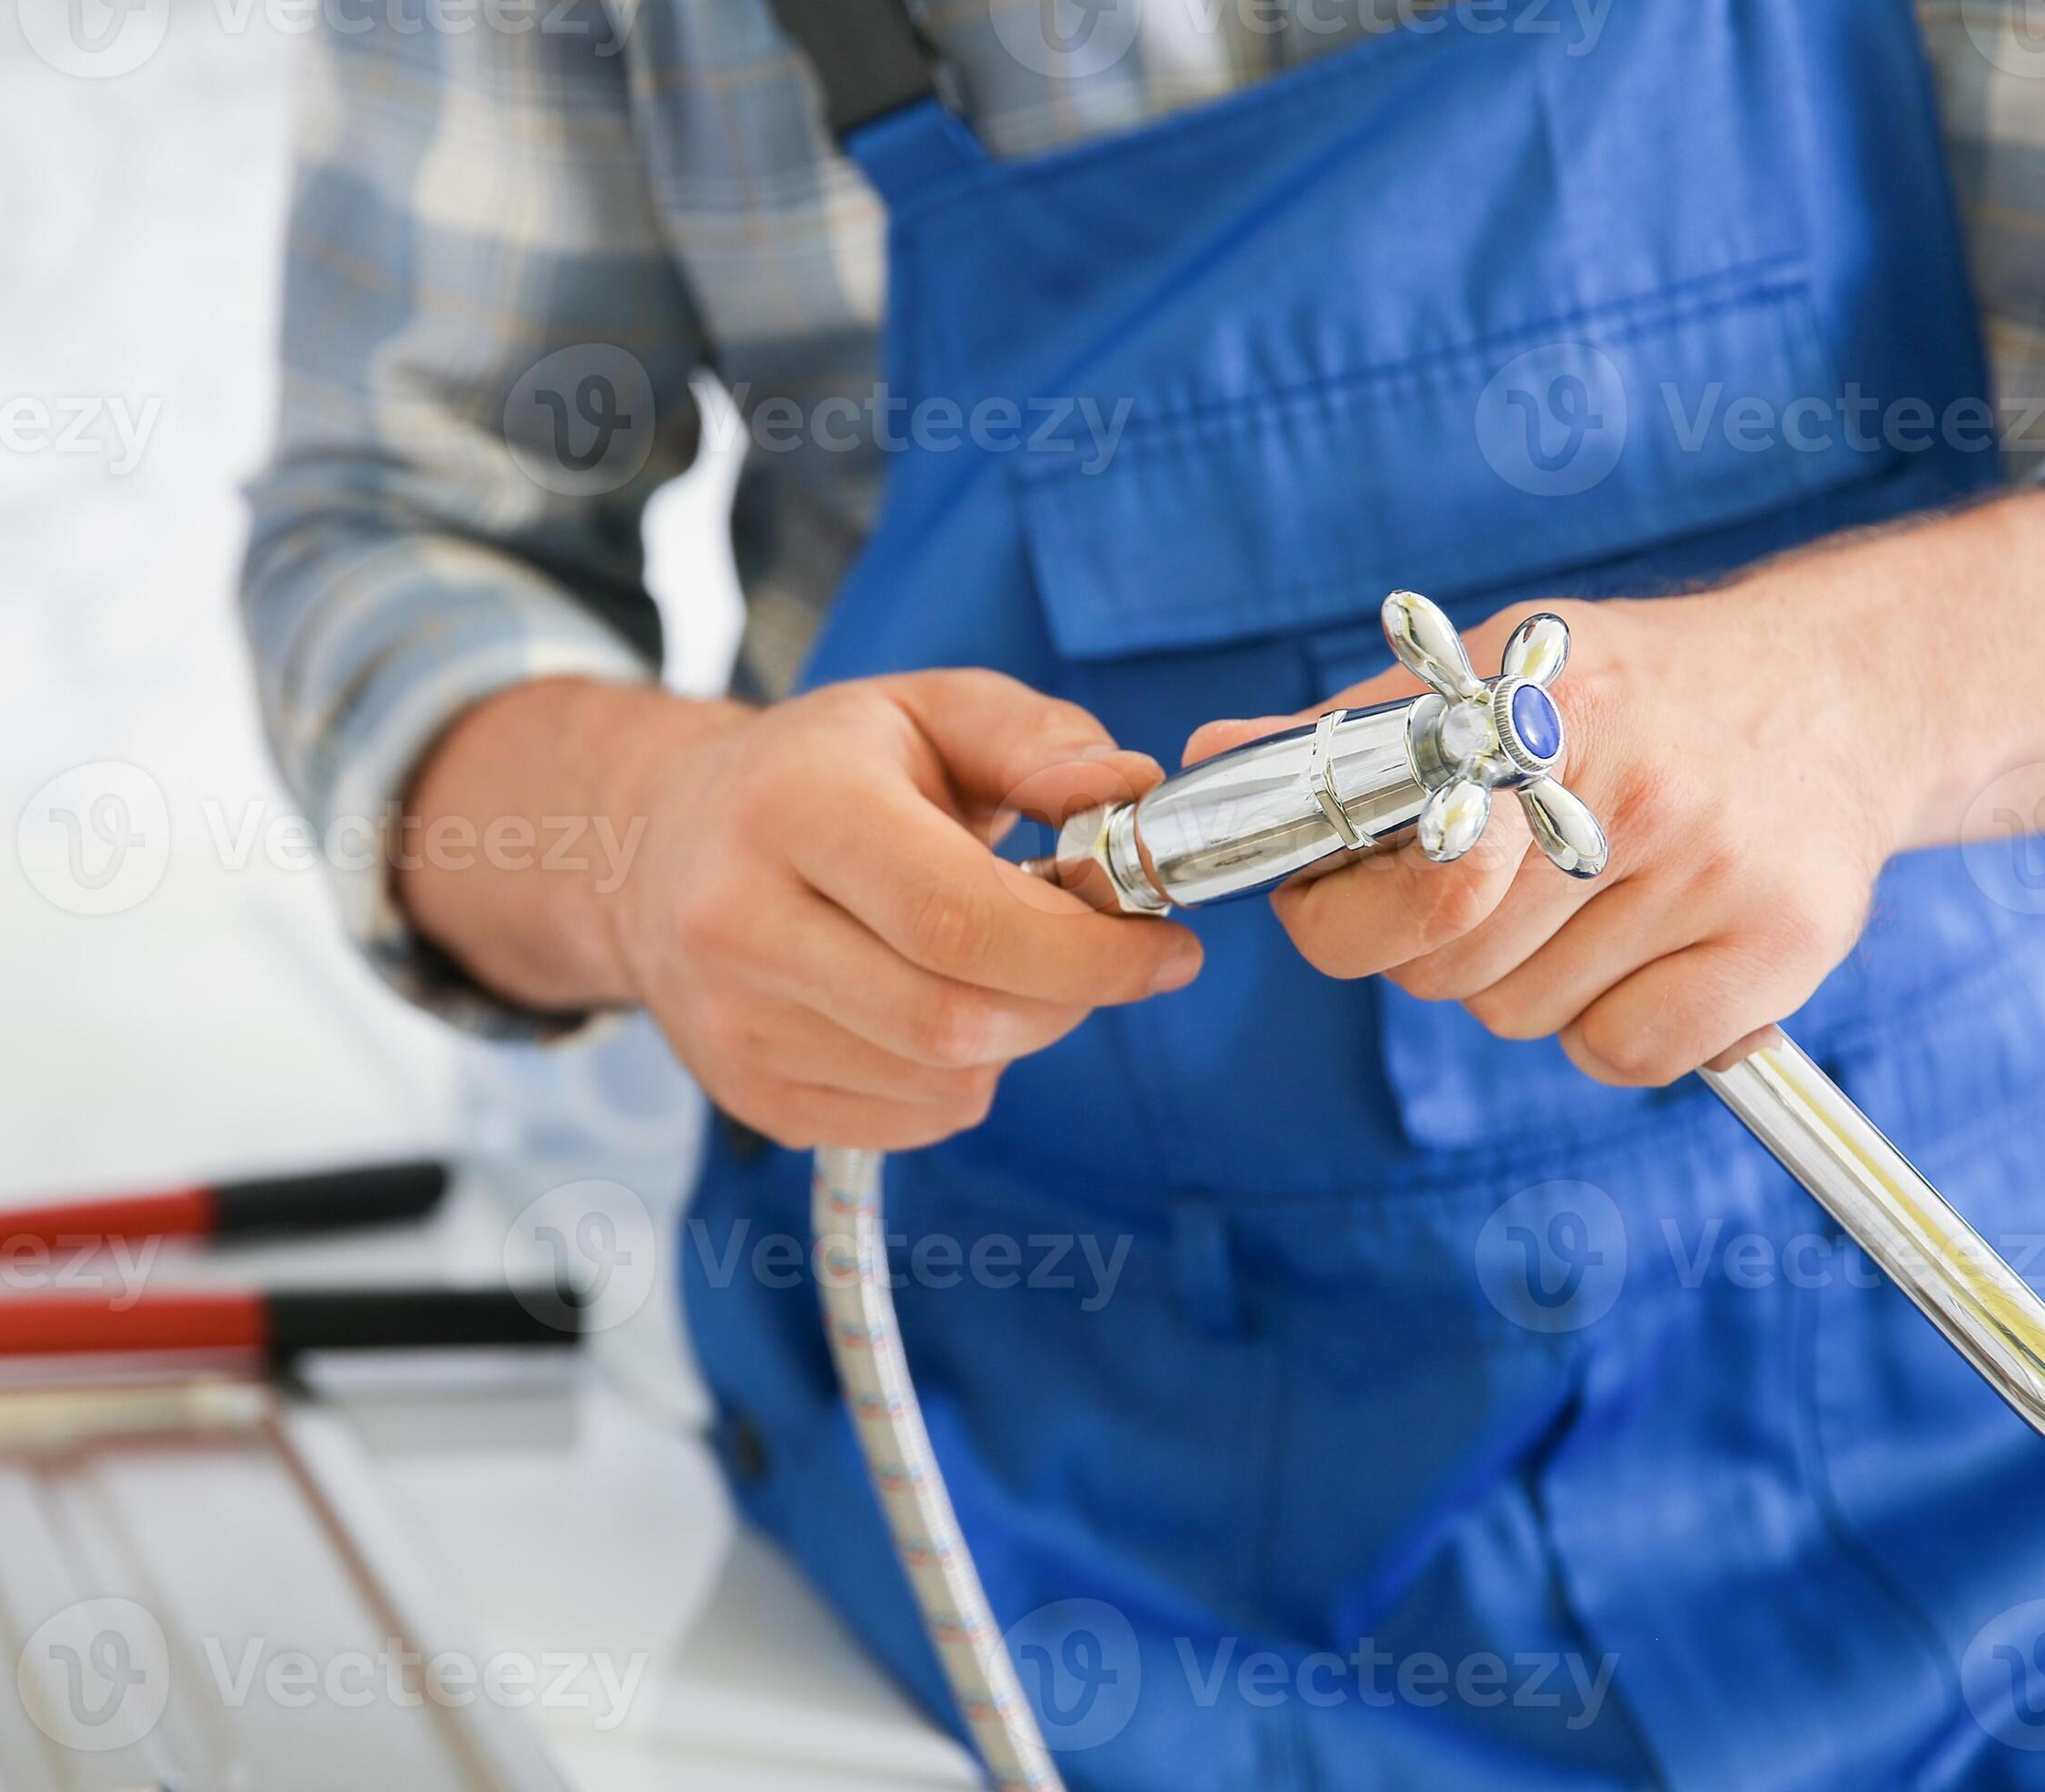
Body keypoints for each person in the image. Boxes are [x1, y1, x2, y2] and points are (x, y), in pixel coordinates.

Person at [244, 2, 2045, 1783]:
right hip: (1078, 1532)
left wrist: (1871, 693)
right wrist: (644, 836)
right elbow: (400, 531)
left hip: (1970, 1424)